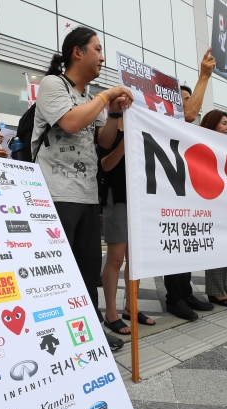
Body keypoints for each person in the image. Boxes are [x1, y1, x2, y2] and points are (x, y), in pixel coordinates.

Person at [32, 26, 133, 349]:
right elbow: (72, 122)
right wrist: (106, 96)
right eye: (98, 50)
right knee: (56, 273)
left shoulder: (92, 99)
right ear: (78, 52)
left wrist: (114, 113)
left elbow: (104, 141)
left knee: (87, 272)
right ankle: (53, 336)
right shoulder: (53, 84)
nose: (102, 58)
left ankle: (89, 332)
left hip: (88, 195)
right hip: (55, 195)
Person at [162, 48, 217, 320]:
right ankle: (174, 297)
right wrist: (204, 76)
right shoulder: (168, 119)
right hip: (168, 188)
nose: (190, 102)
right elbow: (190, 114)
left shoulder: (191, 130)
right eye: (185, 98)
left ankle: (185, 291)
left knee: (187, 243)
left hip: (187, 190)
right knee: (175, 243)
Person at [98, 117, 155, 335]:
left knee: (135, 258)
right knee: (116, 257)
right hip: (117, 195)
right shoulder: (107, 128)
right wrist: (126, 142)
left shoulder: (143, 128)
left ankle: (131, 307)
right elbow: (105, 164)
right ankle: (111, 313)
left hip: (139, 199)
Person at [195, 110, 227, 307]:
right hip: (210, 200)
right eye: (223, 123)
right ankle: (216, 291)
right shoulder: (202, 142)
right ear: (212, 123)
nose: (226, 127)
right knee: (216, 245)